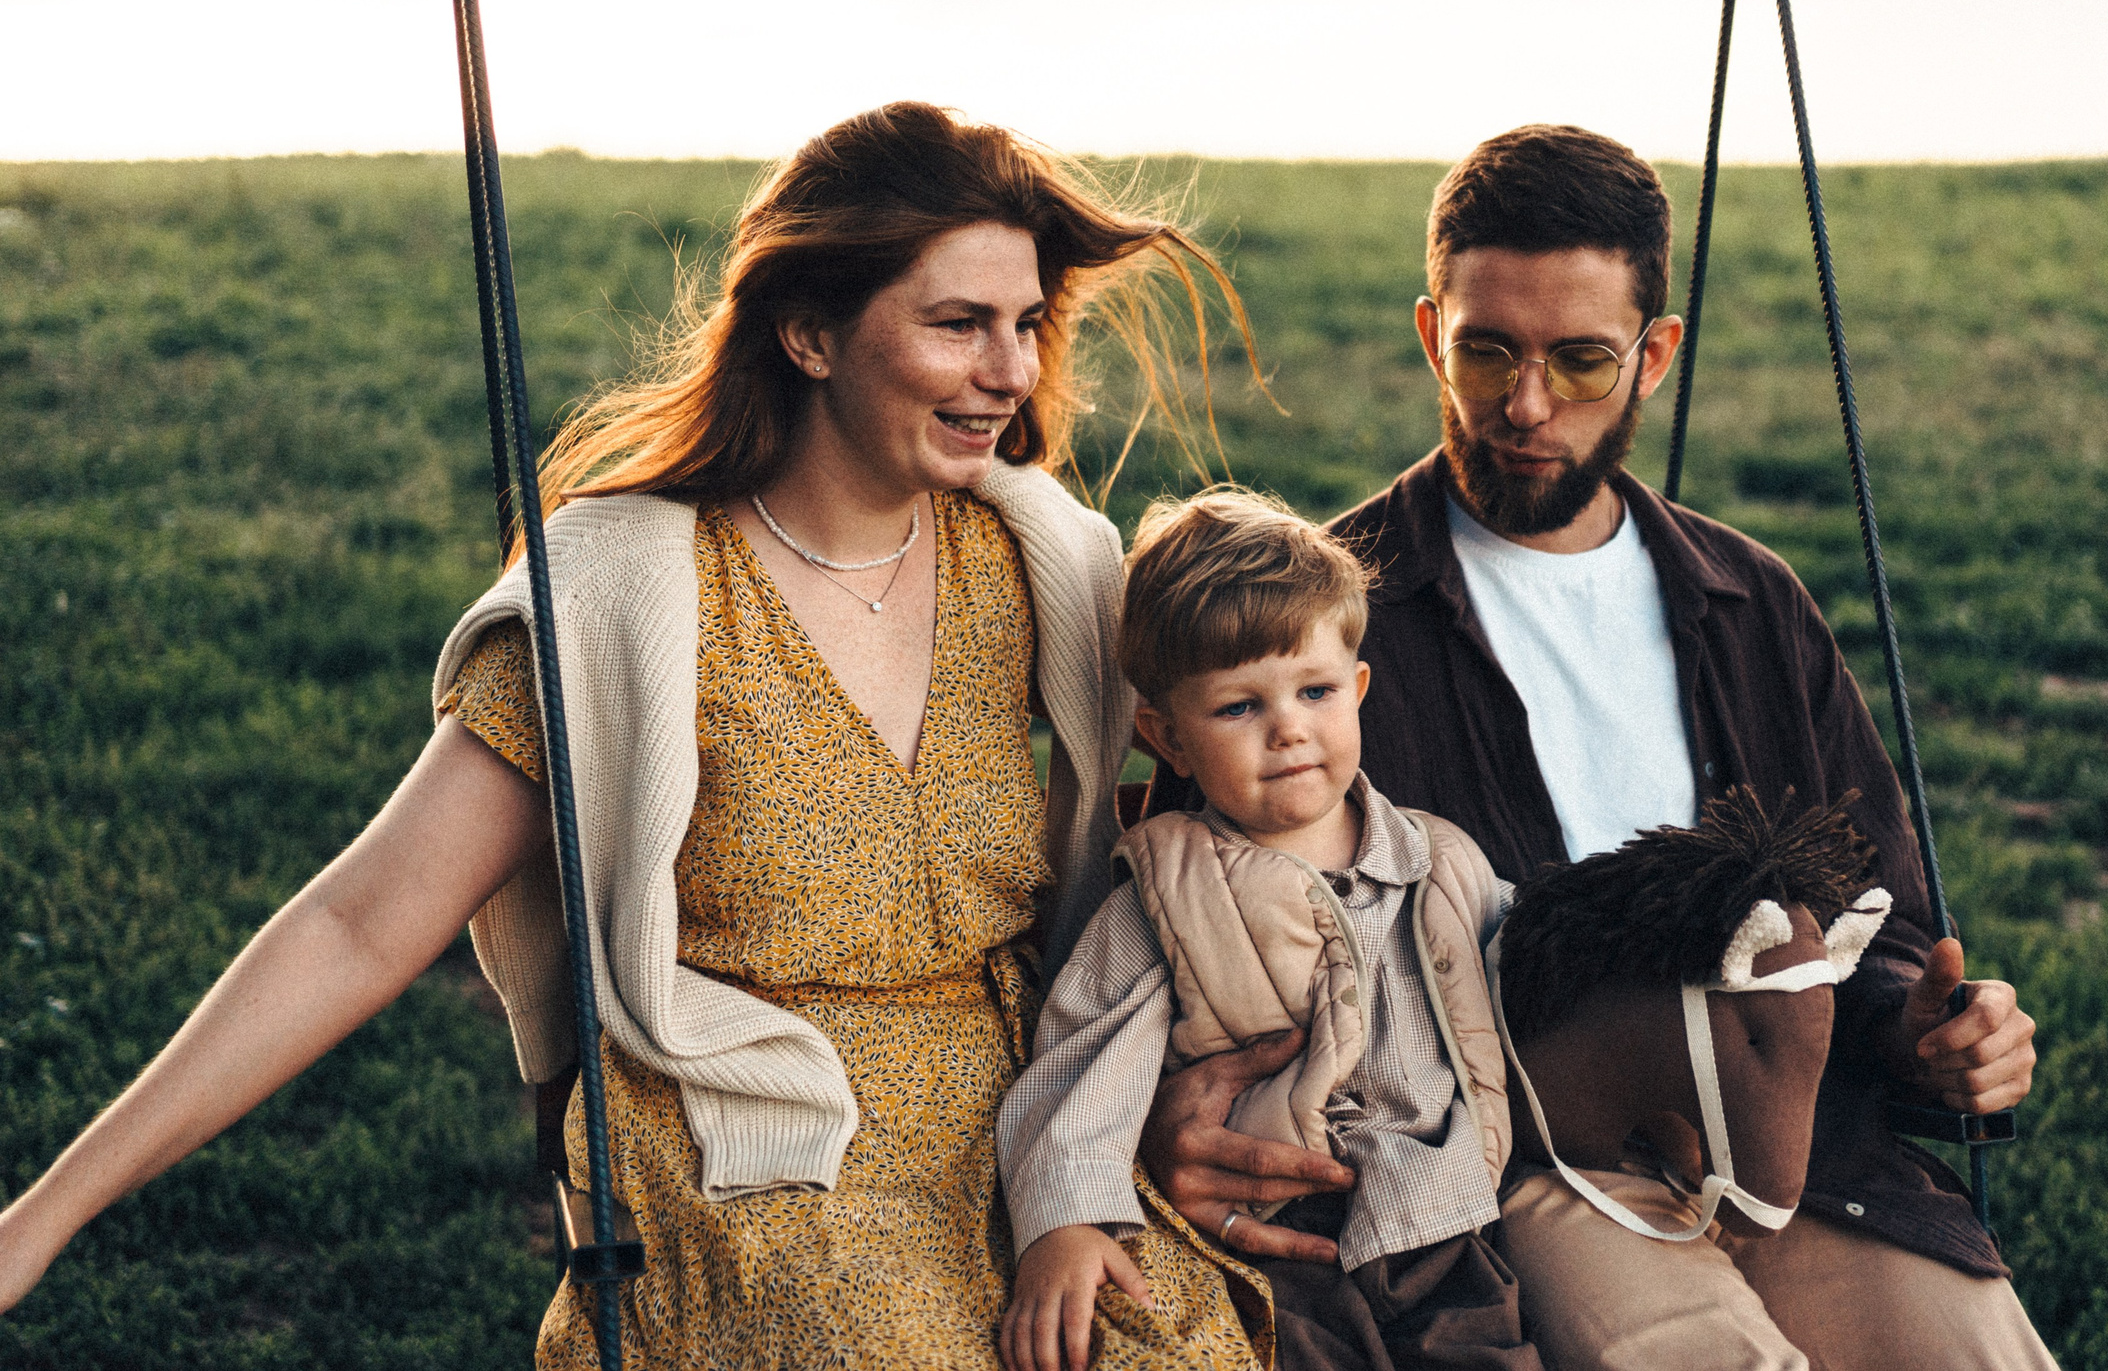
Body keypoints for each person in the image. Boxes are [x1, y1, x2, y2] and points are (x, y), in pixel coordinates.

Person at [0, 103, 1267, 1370]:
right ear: (810, 333)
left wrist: (1158, 1107)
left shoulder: (1044, 563)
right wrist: (40, 1219)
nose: (1012, 370)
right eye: (958, 323)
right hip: (756, 1144)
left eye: (1025, 322)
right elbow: (360, 921)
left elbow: (1244, 801)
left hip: (1031, 1136)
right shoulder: (629, 597)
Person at [1139, 125, 2053, 1371]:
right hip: (1520, 1158)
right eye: (1487, 352)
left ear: (1652, 355)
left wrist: (1936, 1031)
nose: (1526, 405)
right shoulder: (1322, 627)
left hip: (1801, 1147)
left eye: (1578, 361)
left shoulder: (1748, 601)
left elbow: (1878, 917)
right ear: (1431, 334)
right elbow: (1176, 904)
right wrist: (1168, 1117)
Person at [999, 490, 1536, 1371]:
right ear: (1168, 739)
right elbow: (1081, 1067)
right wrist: (1065, 1221)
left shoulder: (1440, 860)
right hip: (1277, 1240)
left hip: (1446, 1226)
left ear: (1357, 690)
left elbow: (1532, 965)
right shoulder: (1167, 892)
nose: (1288, 729)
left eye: (1315, 691)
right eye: (1238, 708)